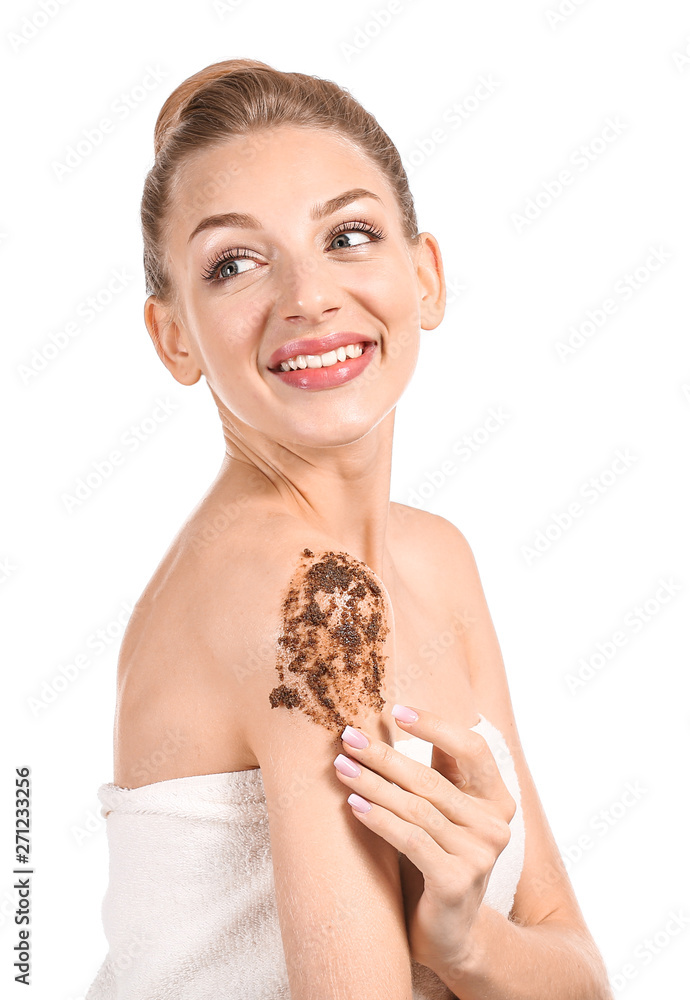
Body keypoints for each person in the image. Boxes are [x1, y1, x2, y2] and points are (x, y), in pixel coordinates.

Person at [85, 58, 613, 999]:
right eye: (234, 263)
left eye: (349, 235)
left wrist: (464, 943)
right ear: (173, 338)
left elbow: (578, 970)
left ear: (425, 277)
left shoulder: (433, 558)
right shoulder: (302, 595)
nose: (307, 296)